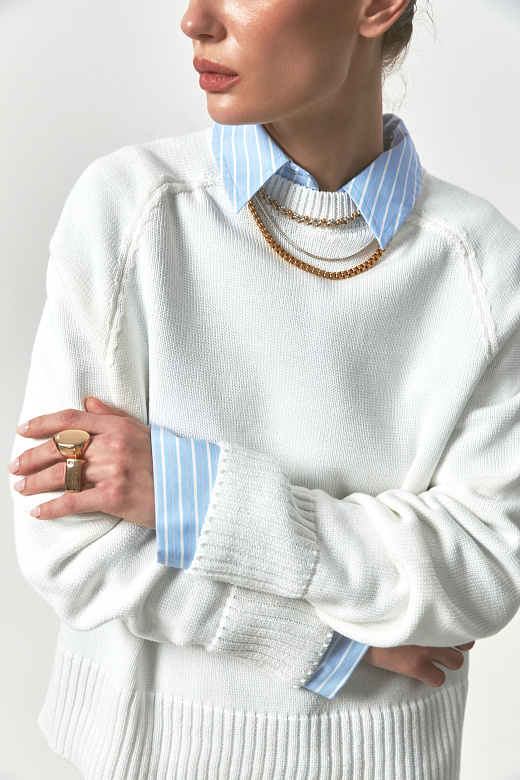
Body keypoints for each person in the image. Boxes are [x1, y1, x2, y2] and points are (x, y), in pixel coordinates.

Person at [7, 0, 520, 777]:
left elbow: (480, 573)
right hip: (141, 756)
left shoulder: (483, 267)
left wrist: (189, 492)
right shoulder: (130, 208)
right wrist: (331, 645)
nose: (195, 19)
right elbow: (70, 541)